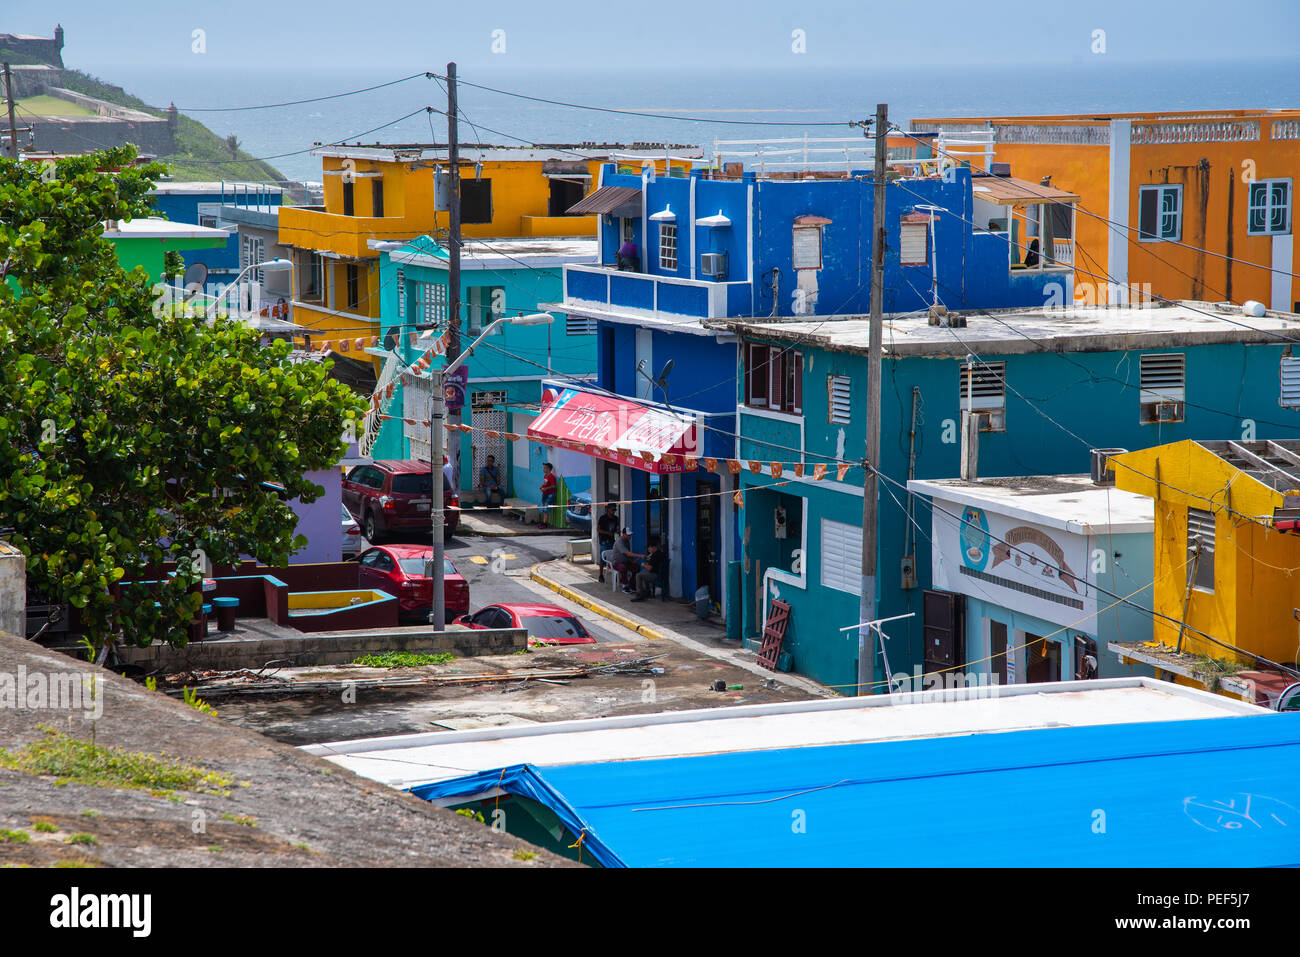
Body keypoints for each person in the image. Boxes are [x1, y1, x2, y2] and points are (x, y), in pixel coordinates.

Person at [608, 527, 642, 593]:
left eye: (630, 535)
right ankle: (625, 586)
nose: (630, 536)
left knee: (636, 567)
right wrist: (640, 556)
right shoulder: (619, 542)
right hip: (616, 562)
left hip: (625, 561)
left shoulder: (627, 541)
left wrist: (632, 561)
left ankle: (631, 585)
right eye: (628, 535)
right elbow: (627, 553)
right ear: (623, 534)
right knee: (623, 568)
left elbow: (627, 555)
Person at [596, 504, 619, 583]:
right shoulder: (603, 518)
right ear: (608, 509)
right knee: (603, 558)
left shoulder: (616, 519)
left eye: (615, 510)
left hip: (612, 540)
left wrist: (616, 532)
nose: (613, 512)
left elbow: (616, 529)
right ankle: (601, 575)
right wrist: (607, 533)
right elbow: (598, 529)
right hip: (604, 541)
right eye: (612, 510)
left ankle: (614, 573)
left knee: (613, 558)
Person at [537, 462, 557, 526]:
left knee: (546, 509)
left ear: (548, 469)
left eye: (544, 468)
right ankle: (543, 522)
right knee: (544, 508)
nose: (543, 469)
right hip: (545, 494)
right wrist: (542, 487)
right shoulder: (545, 476)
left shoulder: (552, 476)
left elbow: (553, 486)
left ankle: (545, 523)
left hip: (550, 495)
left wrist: (546, 488)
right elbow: (545, 484)